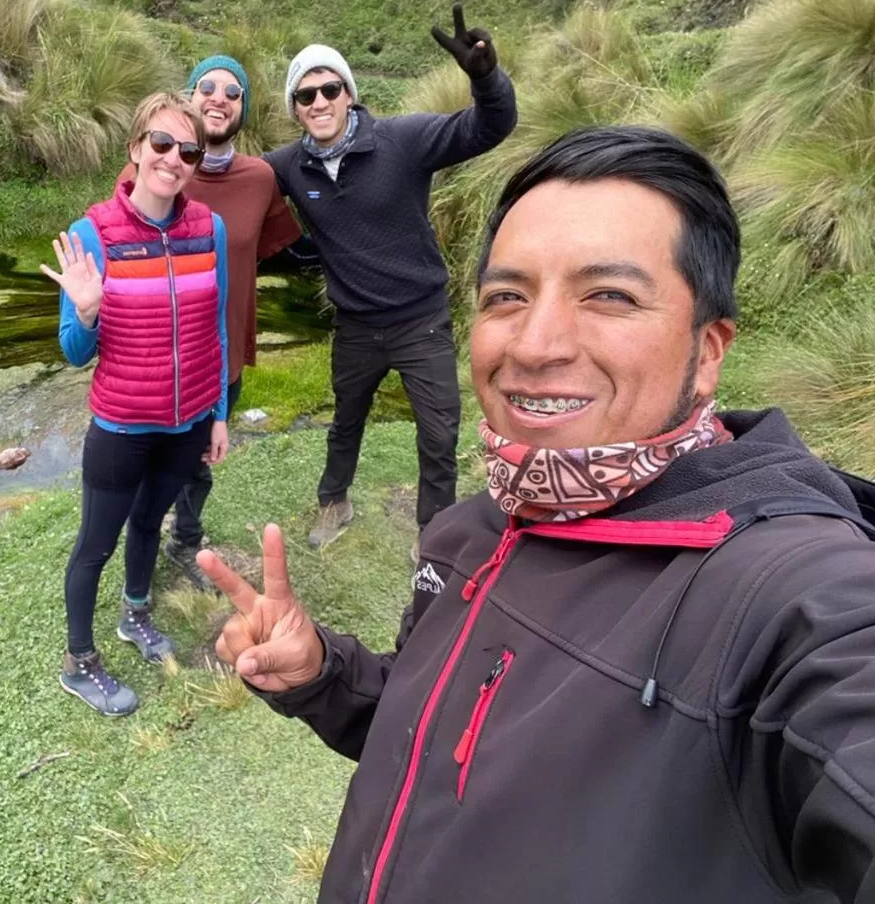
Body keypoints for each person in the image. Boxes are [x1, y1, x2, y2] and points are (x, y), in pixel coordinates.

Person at [200, 126, 875, 901]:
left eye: (609, 296)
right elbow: (427, 727)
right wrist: (322, 674)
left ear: (710, 347)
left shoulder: (791, 595)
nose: (536, 342)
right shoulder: (468, 531)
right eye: (507, 297)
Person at [265, 4, 517, 552]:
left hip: (420, 321)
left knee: (438, 433)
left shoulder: (403, 140)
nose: (320, 102)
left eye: (330, 89)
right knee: (345, 421)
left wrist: (486, 78)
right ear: (295, 108)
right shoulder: (289, 166)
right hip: (356, 328)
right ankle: (335, 502)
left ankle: (435, 535)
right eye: (306, 96)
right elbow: (234, 187)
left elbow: (488, 128)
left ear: (348, 93)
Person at [42, 91, 230, 718]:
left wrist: (219, 414)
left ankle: (136, 614)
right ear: (135, 149)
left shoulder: (210, 229)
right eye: (161, 143)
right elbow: (73, 352)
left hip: (187, 423)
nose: (173, 159)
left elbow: (218, 327)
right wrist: (88, 311)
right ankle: (78, 662)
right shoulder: (90, 235)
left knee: (150, 524)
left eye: (188, 150)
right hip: (121, 426)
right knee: (95, 544)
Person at [116, 56, 302, 590]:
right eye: (207, 87)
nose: (219, 97)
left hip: (223, 353)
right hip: (153, 353)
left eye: (233, 92)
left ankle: (186, 541)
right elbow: (116, 242)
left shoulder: (260, 178)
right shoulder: (150, 166)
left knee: (199, 459)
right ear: (189, 99)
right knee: (149, 460)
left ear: (243, 108)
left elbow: (263, 249)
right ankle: (141, 550)